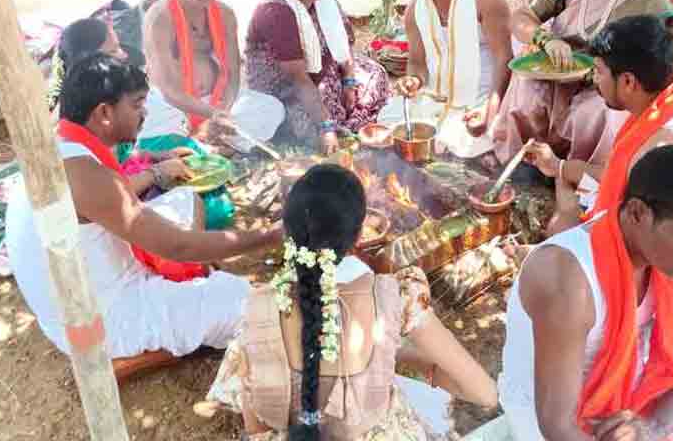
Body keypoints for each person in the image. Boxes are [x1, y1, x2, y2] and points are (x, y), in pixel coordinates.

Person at [6, 53, 282, 361]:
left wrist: (153, 162)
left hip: (82, 297)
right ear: (104, 113)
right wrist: (270, 237)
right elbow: (178, 247)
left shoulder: (65, 147)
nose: (144, 112)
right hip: (101, 320)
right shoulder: (84, 176)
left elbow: (117, 201)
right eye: (137, 105)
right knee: (245, 302)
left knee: (183, 199)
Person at [206, 164, 499, 439]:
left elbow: (256, 425)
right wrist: (420, 367)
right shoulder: (397, 297)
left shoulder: (257, 309)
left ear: (288, 234)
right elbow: (485, 394)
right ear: (359, 236)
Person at [499, 144, 673, 441]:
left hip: (627, 403)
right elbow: (558, 426)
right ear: (636, 213)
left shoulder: (667, 259)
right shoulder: (568, 280)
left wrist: (654, 426)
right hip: (553, 424)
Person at [492, 0, 673, 171]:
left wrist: (600, 73)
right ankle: (520, 167)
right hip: (554, 68)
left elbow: (659, 52)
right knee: (525, 92)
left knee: (597, 115)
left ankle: (578, 180)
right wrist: (546, 39)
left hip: (607, 83)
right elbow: (521, 18)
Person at [524, 14, 673, 233]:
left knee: (558, 230)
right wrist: (557, 167)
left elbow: (640, 243)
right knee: (564, 191)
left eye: (598, 71)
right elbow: (614, 176)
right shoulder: (664, 103)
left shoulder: (663, 148)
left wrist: (561, 231)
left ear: (627, 81)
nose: (595, 80)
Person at [376, 0, 514, 159]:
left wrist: (489, 110)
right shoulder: (414, 8)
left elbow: (504, 57)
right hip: (434, 96)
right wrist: (413, 81)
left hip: (481, 97)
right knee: (388, 119)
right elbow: (417, 63)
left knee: (467, 141)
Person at [245, 0, 391, 152]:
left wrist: (349, 81)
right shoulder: (276, 12)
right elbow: (299, 79)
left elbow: (344, 44)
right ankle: (342, 127)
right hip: (285, 87)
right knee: (315, 120)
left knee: (375, 73)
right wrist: (325, 127)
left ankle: (350, 123)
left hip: (323, 69)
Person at [141, 0, 286, 149]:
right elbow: (168, 89)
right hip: (173, 106)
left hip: (215, 102)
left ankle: (208, 144)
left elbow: (233, 73)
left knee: (272, 108)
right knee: (155, 121)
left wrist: (222, 111)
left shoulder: (225, 14)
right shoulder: (159, 19)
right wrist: (211, 114)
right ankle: (212, 144)